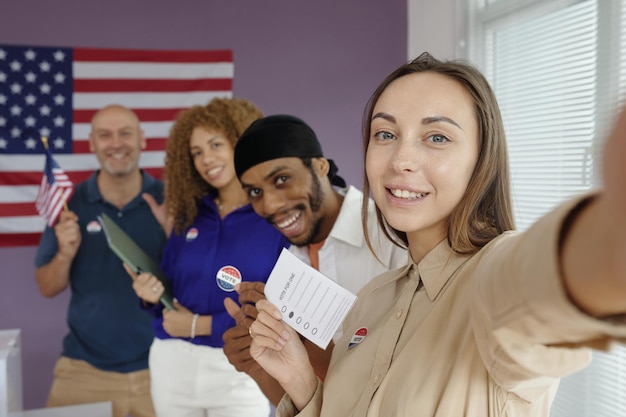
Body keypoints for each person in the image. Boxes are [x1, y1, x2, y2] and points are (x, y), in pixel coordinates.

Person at [247, 52, 626, 417]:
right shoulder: (372, 300)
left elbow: (544, 282)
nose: (401, 160)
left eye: (437, 137)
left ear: (482, 159)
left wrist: (608, 227)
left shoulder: (494, 276)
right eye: (385, 133)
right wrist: (302, 384)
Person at [222, 114, 407, 405]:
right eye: (255, 192)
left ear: (320, 166)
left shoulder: (393, 234)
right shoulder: (286, 266)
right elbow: (311, 403)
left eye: (282, 179)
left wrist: (305, 343)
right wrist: (257, 367)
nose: (270, 204)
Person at [126, 97, 290, 417]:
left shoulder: (277, 217)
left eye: (215, 145)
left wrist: (202, 325)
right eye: (197, 152)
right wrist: (151, 295)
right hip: (172, 363)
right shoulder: (189, 215)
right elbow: (170, 284)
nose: (206, 159)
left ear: (240, 142)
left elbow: (284, 305)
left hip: (240, 366)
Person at [34, 104, 166, 417]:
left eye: (125, 133)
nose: (116, 143)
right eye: (105, 136)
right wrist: (66, 253)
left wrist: (174, 232)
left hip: (162, 364)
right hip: (83, 371)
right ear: (92, 143)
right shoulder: (70, 204)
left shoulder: (168, 199)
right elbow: (47, 286)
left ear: (142, 140)